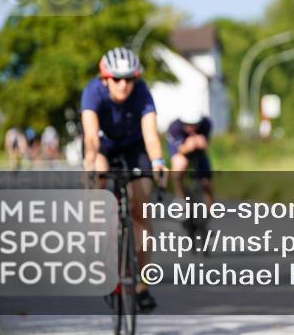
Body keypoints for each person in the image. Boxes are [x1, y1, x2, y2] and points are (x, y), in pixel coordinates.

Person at [80, 47, 166, 313]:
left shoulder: (141, 93)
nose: (124, 85)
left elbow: (151, 135)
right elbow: (91, 137)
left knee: (141, 207)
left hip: (134, 148)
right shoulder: (93, 92)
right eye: (117, 79)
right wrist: (90, 162)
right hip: (104, 147)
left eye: (130, 79)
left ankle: (142, 285)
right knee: (100, 178)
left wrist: (158, 163)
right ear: (105, 79)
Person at [166, 110, 214, 209]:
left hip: (198, 151)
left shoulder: (206, 124)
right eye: (188, 125)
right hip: (180, 150)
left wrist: (201, 143)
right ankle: (180, 198)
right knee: (179, 166)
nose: (192, 128)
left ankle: (209, 209)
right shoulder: (174, 127)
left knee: (206, 181)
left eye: (195, 125)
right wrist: (188, 145)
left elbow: (205, 144)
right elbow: (180, 149)